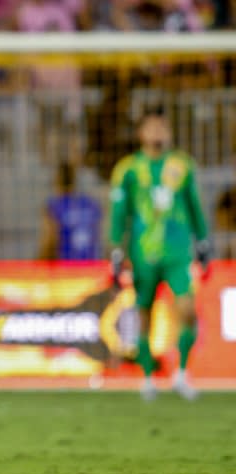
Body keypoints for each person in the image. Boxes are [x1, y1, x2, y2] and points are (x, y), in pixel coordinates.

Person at [109, 106, 211, 401]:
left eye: (162, 127)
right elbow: (119, 214)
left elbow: (194, 206)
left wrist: (202, 242)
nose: (158, 133)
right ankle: (148, 377)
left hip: (178, 253)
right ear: (141, 133)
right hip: (143, 254)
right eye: (152, 127)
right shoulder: (128, 169)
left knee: (188, 311)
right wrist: (116, 250)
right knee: (144, 313)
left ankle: (181, 374)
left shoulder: (182, 165)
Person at [38, 162, 102, 260]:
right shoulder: (91, 204)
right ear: (74, 180)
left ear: (57, 180)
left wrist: (37, 265)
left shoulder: (54, 206)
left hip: (67, 267)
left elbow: (50, 242)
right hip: (91, 266)